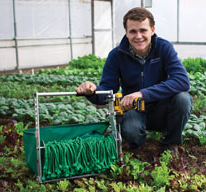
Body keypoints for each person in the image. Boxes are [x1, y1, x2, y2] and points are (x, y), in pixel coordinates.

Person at [76, 7, 192, 151]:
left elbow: (182, 81)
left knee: (183, 99)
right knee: (132, 133)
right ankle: (136, 144)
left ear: (152, 30)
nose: (138, 36)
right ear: (126, 32)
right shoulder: (116, 55)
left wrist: (142, 94)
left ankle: (170, 143)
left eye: (143, 30)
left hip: (160, 108)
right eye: (133, 31)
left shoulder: (163, 48)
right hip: (133, 109)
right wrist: (92, 91)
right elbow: (107, 91)